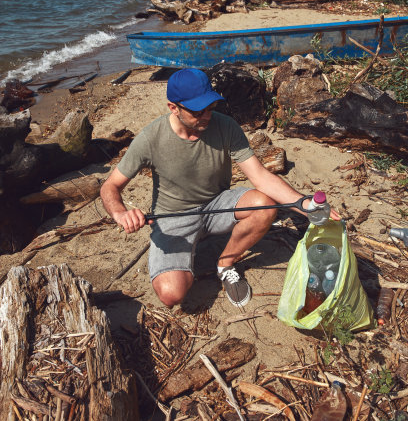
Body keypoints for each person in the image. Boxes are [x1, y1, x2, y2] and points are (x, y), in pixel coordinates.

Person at [100, 68, 340, 309]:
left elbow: (259, 175)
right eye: (197, 110)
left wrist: (304, 205)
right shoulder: (150, 138)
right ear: (173, 107)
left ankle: (225, 264)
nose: (206, 116)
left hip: (218, 205)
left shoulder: (225, 126)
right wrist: (120, 213)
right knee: (171, 295)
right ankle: (187, 255)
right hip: (173, 217)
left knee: (264, 207)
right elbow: (110, 186)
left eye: (210, 107)